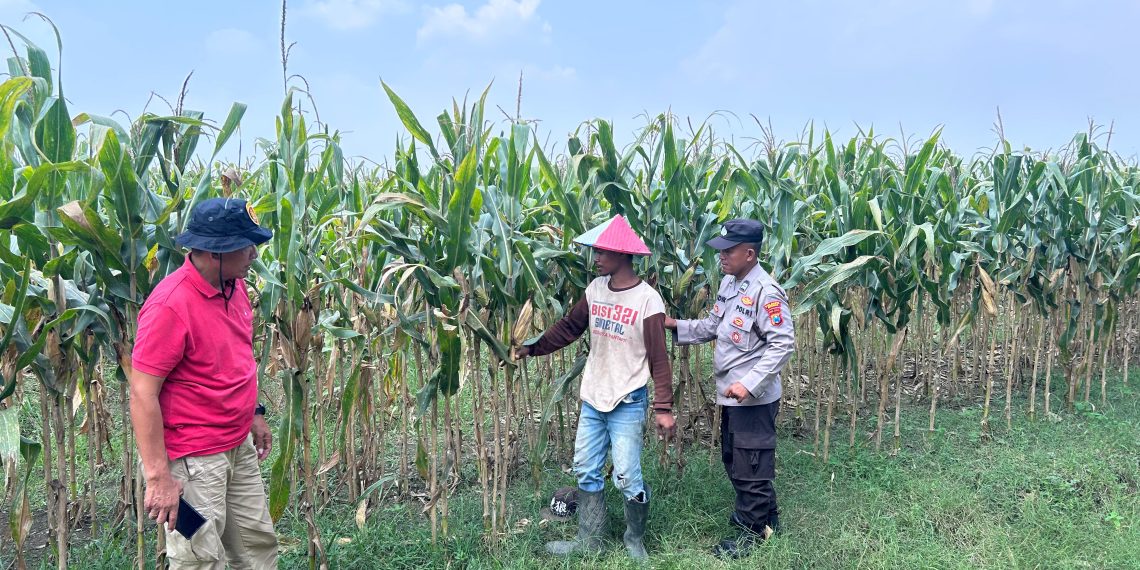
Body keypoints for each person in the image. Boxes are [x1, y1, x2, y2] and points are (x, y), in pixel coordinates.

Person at [515, 214, 676, 560]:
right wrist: (532, 347)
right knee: (586, 468)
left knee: (627, 475)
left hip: (627, 400)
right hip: (593, 397)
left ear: (621, 254)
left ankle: (634, 539)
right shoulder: (596, 290)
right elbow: (569, 327)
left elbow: (659, 359)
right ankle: (590, 539)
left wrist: (663, 408)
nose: (596, 257)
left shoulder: (647, 300)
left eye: (602, 252)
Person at [130, 197, 279, 569]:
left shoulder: (234, 285)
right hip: (193, 463)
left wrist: (254, 412)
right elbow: (142, 393)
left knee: (257, 547)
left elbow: (235, 355)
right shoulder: (170, 305)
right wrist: (159, 478)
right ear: (215, 251)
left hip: (237, 446)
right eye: (246, 245)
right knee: (200, 558)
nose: (254, 254)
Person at [664, 218, 794, 559]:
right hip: (732, 396)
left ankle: (752, 533)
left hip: (753, 399)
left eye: (729, 251)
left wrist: (749, 385)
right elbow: (713, 325)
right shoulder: (729, 283)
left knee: (749, 464)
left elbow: (782, 344)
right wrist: (675, 325)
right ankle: (768, 518)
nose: (721, 256)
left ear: (749, 254)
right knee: (738, 459)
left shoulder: (766, 292)